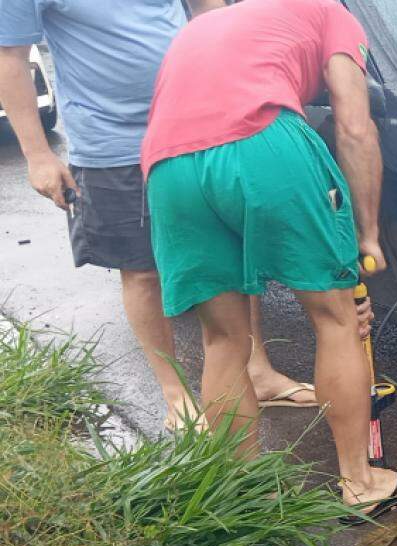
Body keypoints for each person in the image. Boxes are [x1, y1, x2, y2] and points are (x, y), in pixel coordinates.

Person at [142, 0, 397, 517]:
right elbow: (355, 127)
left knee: (223, 339)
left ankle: (247, 497)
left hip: (167, 166)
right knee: (335, 318)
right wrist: (366, 237)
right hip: (262, 142)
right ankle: (361, 482)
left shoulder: (209, 25)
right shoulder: (331, 13)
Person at [0, 0, 329, 432]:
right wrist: (38, 154)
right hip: (112, 145)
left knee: (230, 258)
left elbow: (211, 10)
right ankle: (176, 396)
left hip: (202, 122)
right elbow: (10, 58)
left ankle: (258, 372)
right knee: (142, 271)